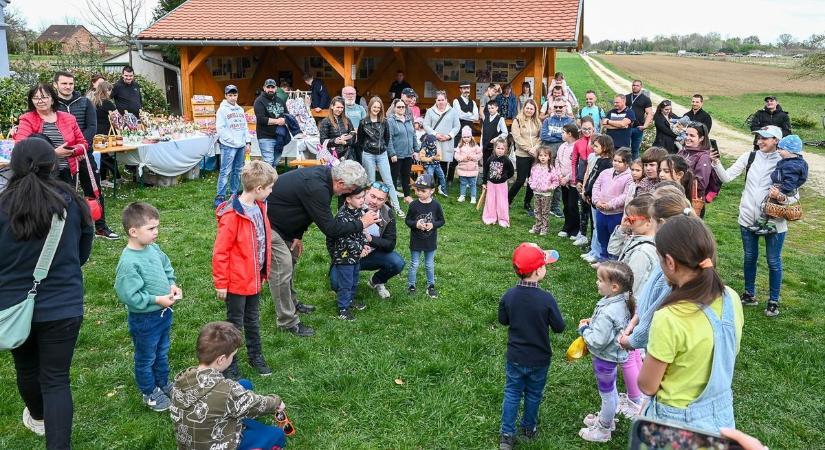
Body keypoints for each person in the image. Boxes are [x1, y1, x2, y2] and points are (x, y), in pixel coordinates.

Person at [1, 138, 93, 448]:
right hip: (63, 305)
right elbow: (83, 251)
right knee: (55, 380)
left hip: (12, 304)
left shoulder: (2, 206)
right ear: (52, 165)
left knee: (26, 367)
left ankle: (38, 417)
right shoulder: (72, 201)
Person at [638, 216, 743, 433]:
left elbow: (647, 385)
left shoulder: (669, 317)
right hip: (721, 418)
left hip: (675, 423)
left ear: (669, 262)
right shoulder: (730, 297)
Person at [266, 161, 379, 336]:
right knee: (281, 270)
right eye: (351, 188)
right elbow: (331, 229)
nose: (350, 192)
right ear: (341, 183)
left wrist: (297, 235)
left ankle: (291, 302)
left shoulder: (324, 178)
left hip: (285, 227)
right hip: (268, 224)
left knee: (291, 262)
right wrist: (361, 223)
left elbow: (306, 210)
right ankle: (287, 322)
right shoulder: (317, 188)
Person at [710, 125, 790, 317]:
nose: (761, 141)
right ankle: (749, 294)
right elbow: (727, 178)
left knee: (773, 261)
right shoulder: (750, 156)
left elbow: (793, 196)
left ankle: (773, 300)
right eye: (759, 137)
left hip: (774, 221)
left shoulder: (785, 161)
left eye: (766, 138)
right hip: (747, 218)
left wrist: (780, 197)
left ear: (776, 141)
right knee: (749, 257)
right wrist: (716, 163)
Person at [170, 321, 287, 450]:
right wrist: (277, 402)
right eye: (232, 355)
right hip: (218, 444)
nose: (232, 358)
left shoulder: (181, 380)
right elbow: (260, 404)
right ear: (221, 360)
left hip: (189, 443)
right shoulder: (228, 391)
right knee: (277, 434)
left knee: (244, 384)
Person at [498, 243, 566, 450]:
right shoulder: (546, 299)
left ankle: (507, 435)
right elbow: (559, 327)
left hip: (516, 357)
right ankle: (528, 429)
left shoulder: (509, 296)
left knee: (512, 392)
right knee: (534, 394)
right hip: (539, 359)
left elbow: (503, 320)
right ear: (538, 271)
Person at [213, 161, 278, 379]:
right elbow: (220, 252)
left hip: (254, 278)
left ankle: (256, 356)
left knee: (252, 319)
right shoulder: (232, 216)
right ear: (259, 189)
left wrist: (263, 271)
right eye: (269, 188)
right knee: (234, 325)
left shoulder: (260, 207)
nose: (271, 192)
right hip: (236, 281)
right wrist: (221, 283)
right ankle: (230, 365)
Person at [114, 201, 181, 411]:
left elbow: (166, 266)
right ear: (133, 231)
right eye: (151, 228)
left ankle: (163, 383)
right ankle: (149, 392)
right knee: (146, 356)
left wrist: (172, 285)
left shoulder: (153, 249)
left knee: (162, 351)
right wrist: (155, 300)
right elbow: (130, 295)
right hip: (144, 319)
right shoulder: (128, 263)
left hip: (163, 314)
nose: (156, 232)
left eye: (157, 227)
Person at [618, 186, 695, 352]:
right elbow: (649, 296)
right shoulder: (676, 253)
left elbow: (657, 307)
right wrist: (637, 317)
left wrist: (632, 340)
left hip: (660, 345)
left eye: (651, 220)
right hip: (647, 329)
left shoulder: (671, 268)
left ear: (661, 224)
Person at [54, 71, 118, 240]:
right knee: (64, 193)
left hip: (84, 154)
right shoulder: (52, 105)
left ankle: (101, 226)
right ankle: (67, 230)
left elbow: (91, 127)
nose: (68, 87)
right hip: (62, 157)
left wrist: (80, 148)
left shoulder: (85, 103)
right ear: (56, 85)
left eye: (70, 83)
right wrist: (67, 149)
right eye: (64, 84)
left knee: (94, 190)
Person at [578, 261, 635, 443]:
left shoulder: (609, 311)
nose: (597, 283)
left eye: (600, 280)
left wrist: (585, 330)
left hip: (604, 358)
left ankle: (603, 428)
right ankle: (606, 418)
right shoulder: (623, 300)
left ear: (614, 286)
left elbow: (598, 341)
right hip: (614, 355)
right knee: (611, 391)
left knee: (607, 393)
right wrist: (594, 323)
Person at [14, 83, 88, 185]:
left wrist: (73, 151)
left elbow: (83, 143)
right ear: (31, 101)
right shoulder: (27, 119)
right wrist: (54, 153)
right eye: (35, 98)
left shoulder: (69, 118)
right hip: (40, 174)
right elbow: (21, 147)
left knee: (67, 199)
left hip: (66, 171)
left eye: (44, 97)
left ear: (53, 99)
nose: (40, 101)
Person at [750, 134, 808, 235]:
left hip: (784, 190)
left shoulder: (793, 165)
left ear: (790, 151)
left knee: (774, 207)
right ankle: (761, 222)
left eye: (781, 149)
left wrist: (780, 193)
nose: (778, 151)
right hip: (778, 187)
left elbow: (791, 181)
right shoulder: (788, 161)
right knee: (768, 205)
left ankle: (771, 225)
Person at [327, 187, 369, 321]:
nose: (362, 200)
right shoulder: (342, 216)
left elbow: (360, 231)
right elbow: (344, 239)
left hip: (355, 257)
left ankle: (350, 301)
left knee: (354, 280)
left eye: (363, 197)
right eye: (359, 198)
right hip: (344, 257)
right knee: (345, 283)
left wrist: (364, 245)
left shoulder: (359, 212)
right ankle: (343, 309)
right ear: (348, 199)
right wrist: (359, 248)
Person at [357, 96, 403, 216]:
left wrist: (382, 148)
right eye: (374, 107)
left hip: (382, 154)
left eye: (378, 107)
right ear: (370, 107)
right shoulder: (363, 122)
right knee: (371, 182)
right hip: (368, 154)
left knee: (388, 181)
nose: (376, 109)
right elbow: (360, 140)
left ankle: (396, 207)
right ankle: (368, 208)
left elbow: (387, 138)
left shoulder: (384, 121)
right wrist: (367, 149)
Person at [360, 182, 406, 299]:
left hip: (372, 255)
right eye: (372, 196)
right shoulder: (352, 205)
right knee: (336, 284)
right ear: (365, 193)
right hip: (349, 255)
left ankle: (376, 281)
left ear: (385, 200)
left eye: (380, 199)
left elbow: (390, 244)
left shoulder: (387, 212)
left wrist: (369, 238)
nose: (375, 201)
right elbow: (334, 236)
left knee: (397, 262)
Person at [405, 173, 445, 298]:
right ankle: (411, 285)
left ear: (432, 190)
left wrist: (433, 225)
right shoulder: (414, 205)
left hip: (430, 241)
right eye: (417, 190)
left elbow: (441, 221)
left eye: (423, 190)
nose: (419, 193)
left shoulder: (436, 205)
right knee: (414, 264)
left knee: (429, 265)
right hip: (416, 241)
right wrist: (416, 224)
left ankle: (431, 285)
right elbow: (408, 220)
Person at [215, 84, 252, 207]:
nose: (232, 97)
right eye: (230, 95)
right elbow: (220, 129)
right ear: (225, 96)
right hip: (228, 146)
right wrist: (231, 140)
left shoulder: (240, 110)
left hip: (241, 146)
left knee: (237, 171)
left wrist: (247, 142)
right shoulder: (222, 110)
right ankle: (220, 196)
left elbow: (245, 127)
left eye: (234, 95)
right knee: (225, 171)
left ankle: (234, 193)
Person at [592, 148, 633, 261]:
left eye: (620, 161)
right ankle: (603, 257)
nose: (616, 163)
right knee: (602, 235)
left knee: (614, 237)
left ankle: (613, 260)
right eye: (615, 160)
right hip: (601, 211)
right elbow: (596, 186)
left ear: (627, 163)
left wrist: (610, 205)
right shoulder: (605, 172)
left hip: (615, 213)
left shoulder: (629, 177)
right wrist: (597, 201)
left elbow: (625, 195)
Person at [580, 135, 615, 264]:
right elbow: (592, 177)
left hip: (598, 200)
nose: (592, 148)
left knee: (597, 227)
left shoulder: (608, 163)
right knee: (594, 226)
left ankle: (598, 253)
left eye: (596, 146)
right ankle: (593, 250)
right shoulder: (599, 160)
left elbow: (600, 182)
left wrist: (591, 194)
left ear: (605, 147)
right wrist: (587, 191)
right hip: (592, 197)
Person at [540, 99, 574, 217]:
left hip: (563, 157)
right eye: (556, 107)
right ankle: (543, 206)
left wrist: (552, 135)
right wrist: (560, 137)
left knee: (559, 181)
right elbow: (544, 135)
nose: (558, 109)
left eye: (561, 107)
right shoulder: (547, 120)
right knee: (546, 179)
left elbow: (572, 137)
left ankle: (555, 206)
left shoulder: (570, 121)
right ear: (552, 108)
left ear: (565, 107)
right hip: (548, 155)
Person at [254, 79, 300, 167]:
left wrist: (285, 120)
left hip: (280, 137)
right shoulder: (259, 101)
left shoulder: (280, 100)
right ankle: (269, 181)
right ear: (264, 88)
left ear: (276, 88)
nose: (270, 89)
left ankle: (272, 180)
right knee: (268, 162)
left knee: (275, 162)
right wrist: (278, 121)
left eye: (272, 87)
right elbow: (261, 119)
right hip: (265, 137)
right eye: (268, 87)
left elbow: (286, 115)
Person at [509, 99, 541, 215]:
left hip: (535, 155)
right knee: (520, 179)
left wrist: (536, 148)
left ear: (534, 110)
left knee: (532, 180)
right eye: (527, 108)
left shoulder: (537, 121)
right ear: (524, 108)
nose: (529, 110)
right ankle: (508, 199)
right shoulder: (517, 121)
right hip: (522, 154)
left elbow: (540, 137)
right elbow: (517, 138)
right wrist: (529, 149)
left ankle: (527, 202)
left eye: (531, 109)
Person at [423, 90, 460, 188]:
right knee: (432, 162)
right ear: (436, 100)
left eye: (442, 100)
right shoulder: (430, 111)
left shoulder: (453, 111)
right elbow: (426, 125)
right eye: (439, 100)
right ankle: (431, 184)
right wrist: (435, 134)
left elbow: (457, 126)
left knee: (443, 163)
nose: (441, 102)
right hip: (433, 142)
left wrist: (449, 136)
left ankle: (441, 185)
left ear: (446, 100)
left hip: (446, 141)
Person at [387, 98, 419, 204]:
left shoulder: (409, 119)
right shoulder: (390, 121)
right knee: (394, 177)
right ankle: (392, 198)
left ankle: (407, 196)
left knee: (406, 175)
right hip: (396, 155)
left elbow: (413, 135)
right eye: (399, 107)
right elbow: (389, 138)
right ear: (394, 108)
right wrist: (392, 153)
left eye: (403, 107)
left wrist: (416, 150)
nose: (401, 109)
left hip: (408, 154)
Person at [677, 123, 712, 215]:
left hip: (691, 202)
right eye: (686, 134)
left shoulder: (703, 157)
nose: (687, 137)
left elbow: (701, 183)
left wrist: (678, 179)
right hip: (679, 197)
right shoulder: (682, 151)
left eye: (692, 135)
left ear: (701, 138)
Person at [573, 117, 596, 247]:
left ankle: (594, 237)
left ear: (594, 128)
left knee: (592, 209)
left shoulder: (597, 142)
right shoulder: (578, 143)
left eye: (589, 129)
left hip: (594, 180)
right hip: (582, 178)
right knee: (583, 208)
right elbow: (574, 162)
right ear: (581, 129)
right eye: (584, 129)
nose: (587, 131)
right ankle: (582, 234)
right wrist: (576, 180)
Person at [556, 124, 581, 239]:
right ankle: (567, 226)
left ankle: (576, 228)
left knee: (572, 205)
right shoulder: (562, 146)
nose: (561, 134)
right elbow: (557, 161)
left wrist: (568, 177)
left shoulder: (577, 146)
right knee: (566, 205)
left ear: (569, 134)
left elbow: (577, 165)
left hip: (573, 182)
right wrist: (561, 176)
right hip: (563, 181)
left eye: (563, 132)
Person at [482, 137, 515, 228]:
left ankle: (503, 219)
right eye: (498, 148)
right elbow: (486, 170)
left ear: (505, 149)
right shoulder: (490, 159)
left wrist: (504, 177)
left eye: (502, 148)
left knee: (502, 202)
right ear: (494, 148)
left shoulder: (507, 160)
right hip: (491, 184)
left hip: (501, 185)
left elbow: (511, 171)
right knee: (490, 201)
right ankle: (490, 217)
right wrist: (484, 182)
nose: (500, 150)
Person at [527, 146, 560, 236]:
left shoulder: (551, 169)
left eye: (545, 155)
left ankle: (544, 228)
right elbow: (531, 178)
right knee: (537, 210)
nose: (542, 157)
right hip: (536, 192)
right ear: (538, 156)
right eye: (541, 155)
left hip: (546, 194)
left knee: (545, 212)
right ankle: (537, 226)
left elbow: (556, 181)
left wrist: (550, 187)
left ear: (549, 157)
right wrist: (532, 185)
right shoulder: (535, 167)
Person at [92, 80, 119, 185]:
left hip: (96, 131)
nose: (110, 93)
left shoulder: (94, 102)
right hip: (106, 132)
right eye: (110, 90)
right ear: (106, 90)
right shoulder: (107, 103)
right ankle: (105, 179)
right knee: (105, 156)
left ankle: (112, 177)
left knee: (103, 155)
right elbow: (117, 117)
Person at [480, 99, 509, 184]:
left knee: (494, 166)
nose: (490, 110)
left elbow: (505, 133)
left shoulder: (500, 119)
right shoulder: (485, 118)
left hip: (494, 148)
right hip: (485, 147)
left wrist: (496, 139)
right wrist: (481, 146)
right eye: (489, 108)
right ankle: (484, 183)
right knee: (485, 165)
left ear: (496, 108)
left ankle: (494, 182)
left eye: (492, 108)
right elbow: (483, 133)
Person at [319, 96, 355, 161]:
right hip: (331, 156)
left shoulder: (347, 120)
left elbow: (353, 136)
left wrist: (345, 142)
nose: (340, 110)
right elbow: (322, 141)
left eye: (342, 107)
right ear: (332, 106)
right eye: (338, 107)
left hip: (347, 155)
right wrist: (335, 141)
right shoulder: (325, 121)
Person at [625, 80, 653, 160]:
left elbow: (649, 113)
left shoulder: (646, 99)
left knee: (635, 150)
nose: (635, 87)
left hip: (638, 128)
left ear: (641, 87)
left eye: (637, 85)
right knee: (624, 148)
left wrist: (645, 126)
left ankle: (635, 167)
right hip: (626, 127)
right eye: (633, 85)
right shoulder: (626, 97)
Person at [454, 126, 482, 204]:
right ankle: (462, 195)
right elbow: (456, 156)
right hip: (462, 169)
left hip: (472, 169)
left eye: (468, 137)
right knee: (463, 183)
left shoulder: (475, 145)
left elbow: (480, 154)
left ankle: (473, 197)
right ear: (462, 137)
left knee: (473, 184)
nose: (466, 138)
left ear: (471, 137)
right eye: (465, 137)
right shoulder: (460, 145)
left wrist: (473, 157)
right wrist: (463, 158)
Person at [452, 81, 479, 148]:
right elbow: (459, 115)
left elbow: (476, 117)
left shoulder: (473, 102)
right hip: (459, 131)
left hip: (470, 132)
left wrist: (464, 115)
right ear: (460, 90)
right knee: (457, 153)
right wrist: (470, 114)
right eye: (464, 88)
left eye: (468, 88)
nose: (466, 90)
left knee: (469, 153)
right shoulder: (456, 101)